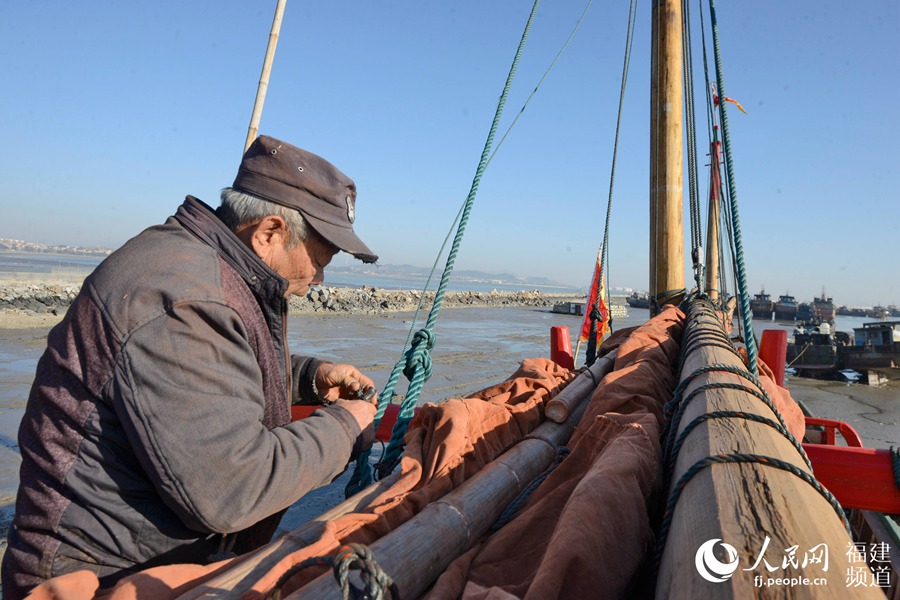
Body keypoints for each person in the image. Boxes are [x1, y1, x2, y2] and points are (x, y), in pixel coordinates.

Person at [1, 135, 381, 599]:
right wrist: (344, 427)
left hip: (149, 564)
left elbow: (214, 376)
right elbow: (233, 488)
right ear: (268, 233)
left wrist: (307, 377)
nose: (319, 279)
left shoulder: (205, 270)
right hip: (96, 578)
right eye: (319, 261)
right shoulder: (182, 297)